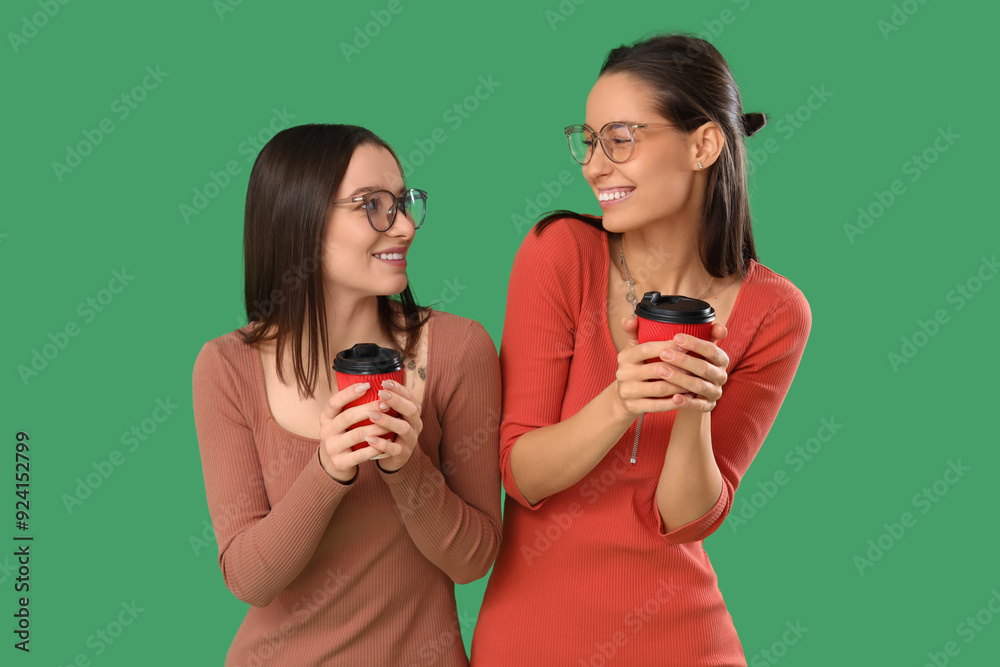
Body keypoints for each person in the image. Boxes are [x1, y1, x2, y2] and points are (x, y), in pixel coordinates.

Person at [471, 34, 811, 665]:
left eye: (621, 138)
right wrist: (620, 402)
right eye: (589, 139)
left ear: (704, 144)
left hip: (683, 639)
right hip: (534, 636)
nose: (594, 165)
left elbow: (686, 520)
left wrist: (694, 405)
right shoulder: (561, 254)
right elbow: (520, 474)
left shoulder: (775, 312)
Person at [192, 124, 502, 666]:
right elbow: (248, 579)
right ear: (300, 221)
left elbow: (473, 560)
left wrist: (406, 466)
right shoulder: (226, 367)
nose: (403, 225)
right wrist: (328, 471)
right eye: (372, 205)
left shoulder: (459, 348)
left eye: (403, 202)